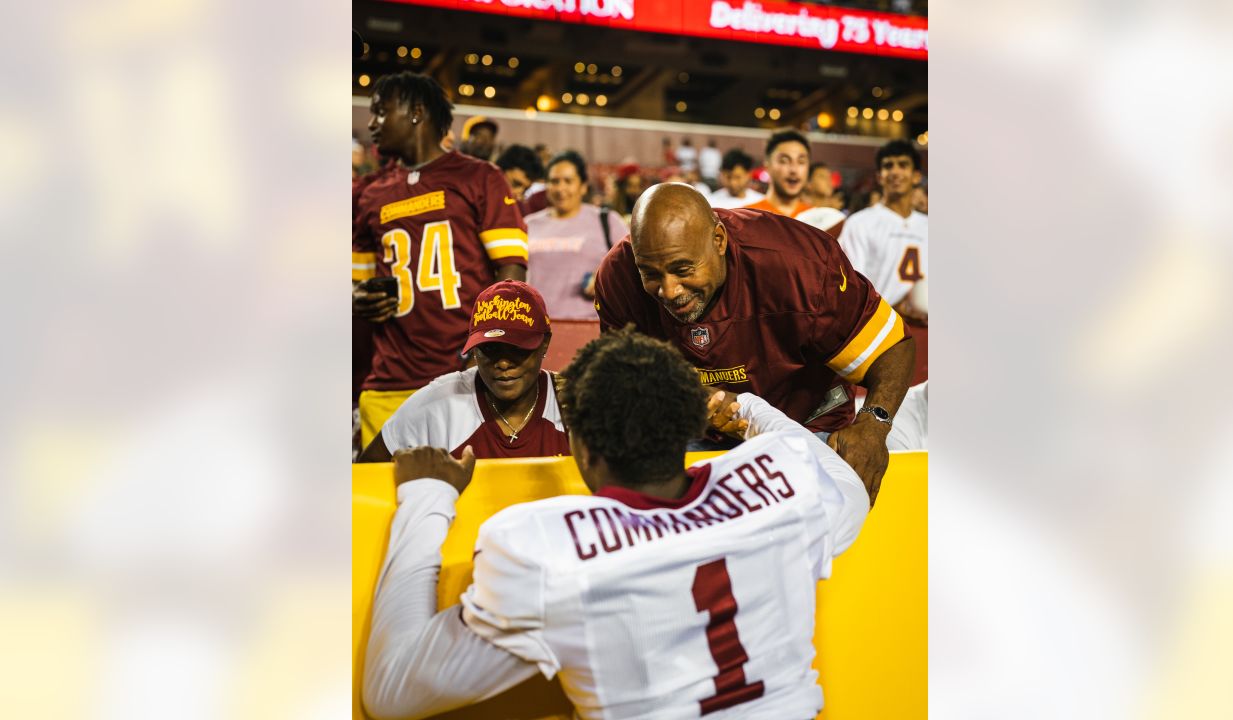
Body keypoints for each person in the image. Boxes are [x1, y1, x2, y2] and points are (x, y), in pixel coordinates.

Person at [362, 328, 871, 720]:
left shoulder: (545, 549)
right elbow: (845, 484)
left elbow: (390, 692)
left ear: (581, 447)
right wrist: (752, 411)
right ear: (685, 425)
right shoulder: (783, 478)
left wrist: (426, 498)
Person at [594, 183, 915, 494]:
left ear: (718, 240)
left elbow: (892, 348)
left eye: (683, 268)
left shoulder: (800, 266)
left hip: (807, 425)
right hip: (694, 432)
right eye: (650, 273)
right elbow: (627, 381)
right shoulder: (618, 276)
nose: (669, 290)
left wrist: (873, 424)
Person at [353, 72, 528, 449]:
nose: (371, 124)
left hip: (462, 377)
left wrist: (487, 352)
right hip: (389, 380)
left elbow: (512, 275)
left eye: (381, 112)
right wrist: (358, 299)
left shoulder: (480, 177)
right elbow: (358, 283)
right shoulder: (368, 193)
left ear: (416, 112)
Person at [358, 280, 570, 463]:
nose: (503, 363)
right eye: (490, 349)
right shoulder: (440, 401)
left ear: (545, 343)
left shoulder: (573, 403)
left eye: (517, 349)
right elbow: (366, 475)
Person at [524, 151, 627, 321]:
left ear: (583, 186)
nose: (560, 188)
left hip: (588, 326)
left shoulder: (607, 220)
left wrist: (605, 279)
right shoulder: (528, 224)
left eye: (568, 181)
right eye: (554, 181)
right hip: (535, 328)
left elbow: (632, 266)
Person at [836, 140, 928, 326]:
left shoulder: (929, 226)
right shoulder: (860, 223)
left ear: (916, 176)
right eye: (888, 166)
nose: (895, 172)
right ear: (879, 177)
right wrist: (894, 308)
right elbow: (853, 290)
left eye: (903, 165)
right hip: (878, 330)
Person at [743, 130, 813, 218]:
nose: (794, 170)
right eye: (784, 161)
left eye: (801, 161)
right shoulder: (748, 217)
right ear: (767, 166)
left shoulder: (818, 219)